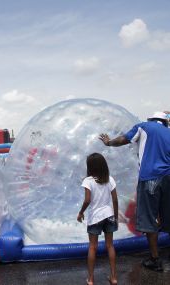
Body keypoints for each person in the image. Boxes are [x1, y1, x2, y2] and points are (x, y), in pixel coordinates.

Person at [99, 111, 170, 272]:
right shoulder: (169, 131)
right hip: (168, 178)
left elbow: (124, 139)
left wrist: (109, 143)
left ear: (151, 119)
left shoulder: (143, 127)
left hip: (150, 177)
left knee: (149, 218)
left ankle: (155, 259)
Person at [77, 153, 118, 285]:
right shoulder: (110, 179)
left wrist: (81, 212)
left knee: (93, 247)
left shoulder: (88, 181)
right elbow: (115, 200)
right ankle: (113, 277)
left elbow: (87, 200)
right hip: (109, 215)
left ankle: (91, 279)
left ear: (90, 167)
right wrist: (115, 217)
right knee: (110, 246)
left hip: (96, 217)